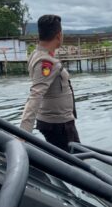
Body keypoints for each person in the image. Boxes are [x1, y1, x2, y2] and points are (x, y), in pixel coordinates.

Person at [20, 15, 80, 152]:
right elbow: (35, 95)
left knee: (70, 160)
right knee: (76, 165)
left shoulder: (37, 54)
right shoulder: (46, 62)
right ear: (59, 35)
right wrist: (23, 134)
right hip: (59, 124)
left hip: (56, 121)